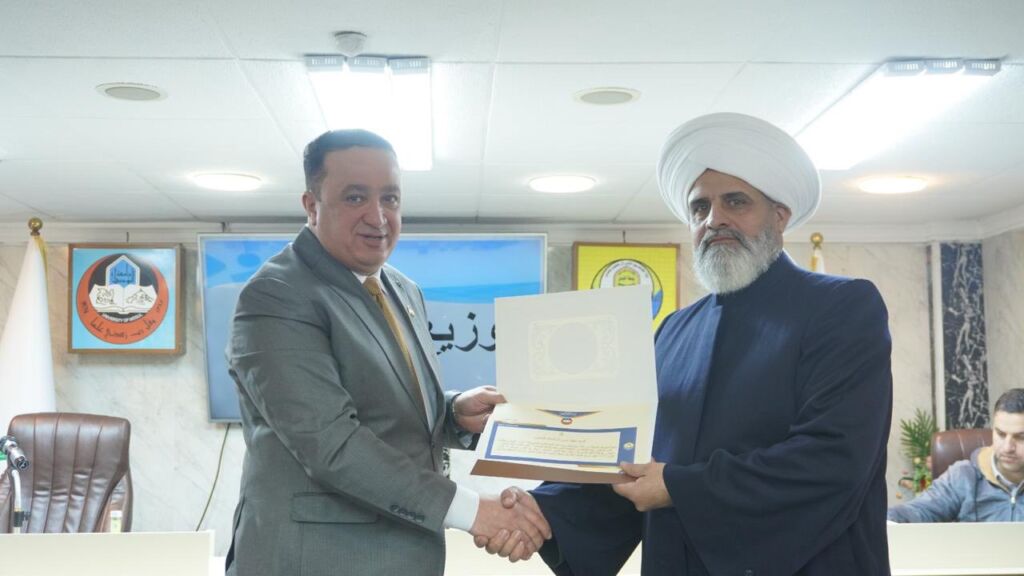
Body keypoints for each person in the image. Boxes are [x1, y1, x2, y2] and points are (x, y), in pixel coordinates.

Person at [481, 112, 894, 575]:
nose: (714, 220)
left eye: (736, 202)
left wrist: (677, 487)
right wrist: (543, 511)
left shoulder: (841, 307)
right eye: (700, 208)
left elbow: (833, 460)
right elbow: (634, 464)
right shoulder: (673, 331)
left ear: (780, 216)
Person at [224, 129, 550, 576]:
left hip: (406, 554)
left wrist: (453, 413)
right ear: (311, 205)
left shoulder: (401, 288)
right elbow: (332, 444)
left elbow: (383, 408)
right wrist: (475, 511)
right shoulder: (278, 294)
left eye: (390, 198)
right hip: (317, 561)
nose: (378, 217)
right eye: (355, 197)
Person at [888, 388, 1024, 523]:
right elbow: (919, 510)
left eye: (1021, 437)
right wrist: (888, 519)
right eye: (1001, 434)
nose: (1007, 448)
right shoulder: (964, 476)